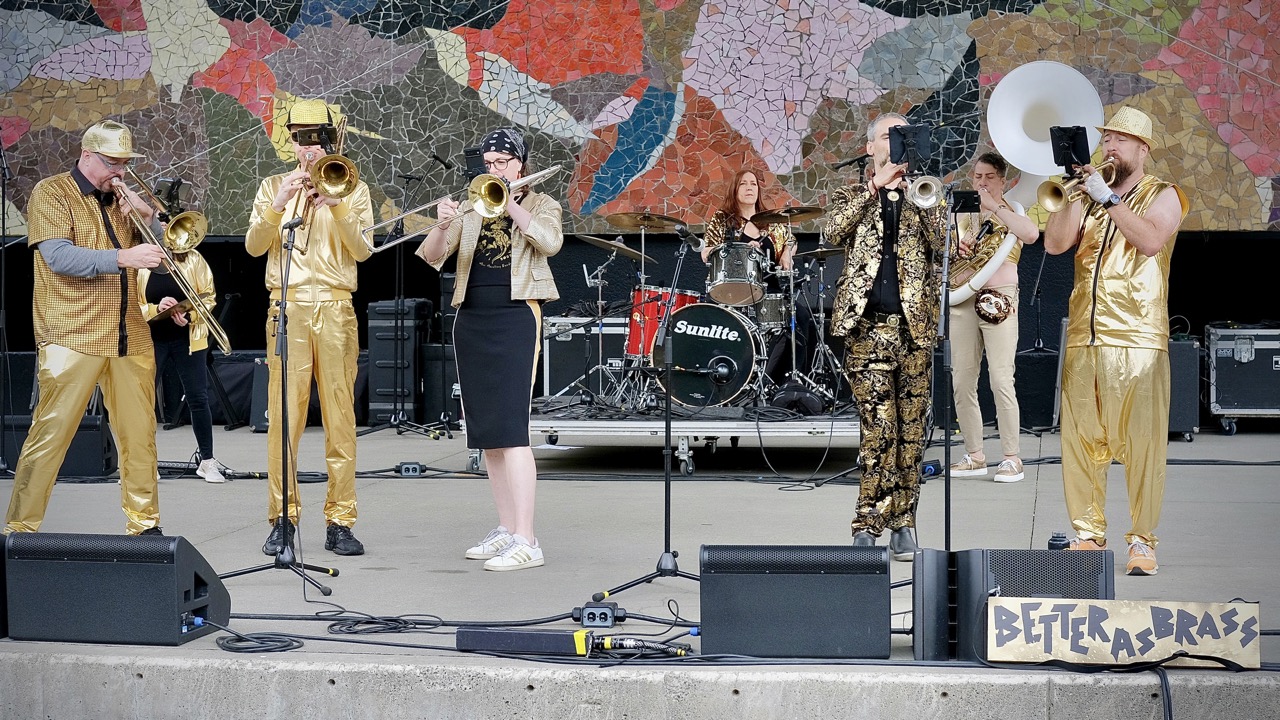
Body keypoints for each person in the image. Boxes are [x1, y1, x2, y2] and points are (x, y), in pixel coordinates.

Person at [4, 120, 168, 536]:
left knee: (139, 436)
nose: (121, 171)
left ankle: (145, 526)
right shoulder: (52, 192)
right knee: (50, 435)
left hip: (129, 333)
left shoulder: (125, 197)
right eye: (113, 162)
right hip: (72, 332)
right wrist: (124, 257)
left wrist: (150, 216)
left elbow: (167, 252)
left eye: (126, 163)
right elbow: (60, 258)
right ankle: (21, 531)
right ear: (87, 156)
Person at [1044, 107, 1188, 576]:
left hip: (1139, 338)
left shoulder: (1163, 194)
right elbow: (1054, 244)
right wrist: (1072, 194)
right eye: (1107, 139)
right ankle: (1088, 535)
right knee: (1082, 440)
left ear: (1142, 149)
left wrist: (1108, 199)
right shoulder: (1088, 196)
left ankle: (1143, 541)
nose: (1110, 147)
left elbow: (1149, 241)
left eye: (1121, 141)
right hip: (1086, 334)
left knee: (1143, 442)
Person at [415, 128, 562, 572]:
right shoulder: (472, 205)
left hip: (516, 315)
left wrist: (510, 202)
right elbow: (433, 255)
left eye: (501, 162)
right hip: (472, 318)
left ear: (520, 165)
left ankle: (528, 538)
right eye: (488, 162)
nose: (492, 169)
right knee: (488, 434)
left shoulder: (542, 204)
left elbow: (550, 242)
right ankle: (506, 528)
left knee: (512, 428)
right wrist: (443, 223)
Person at [245, 98, 374, 556]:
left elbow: (362, 252)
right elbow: (255, 247)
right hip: (287, 308)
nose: (310, 149)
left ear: (330, 140)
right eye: (301, 139)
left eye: (317, 139)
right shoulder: (271, 187)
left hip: (337, 308)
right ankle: (283, 518)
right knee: (284, 418)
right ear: (292, 141)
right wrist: (278, 205)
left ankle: (340, 520)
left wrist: (336, 204)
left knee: (341, 418)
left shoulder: (353, 187)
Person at [823, 112, 946, 561]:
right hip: (868, 329)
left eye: (902, 139)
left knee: (911, 431)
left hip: (915, 330)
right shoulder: (852, 193)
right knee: (879, 427)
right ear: (871, 147)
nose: (893, 147)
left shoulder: (927, 194)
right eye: (887, 139)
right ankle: (867, 521)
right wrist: (876, 187)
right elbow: (833, 230)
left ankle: (904, 522)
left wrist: (919, 198)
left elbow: (942, 245)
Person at [947, 152, 1041, 483]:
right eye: (977, 177)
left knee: (1001, 378)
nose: (982, 183)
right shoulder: (962, 213)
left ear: (1002, 180)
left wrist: (995, 207)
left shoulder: (1012, 210)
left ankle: (1012, 458)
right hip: (963, 298)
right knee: (962, 380)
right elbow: (950, 257)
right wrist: (959, 248)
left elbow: (1030, 235)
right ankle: (974, 455)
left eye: (989, 177)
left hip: (1000, 298)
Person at [701, 169, 814, 387]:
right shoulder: (723, 219)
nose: (749, 188)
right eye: (743, 184)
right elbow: (706, 252)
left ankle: (791, 383)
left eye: (753, 184)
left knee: (800, 316)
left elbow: (791, 240)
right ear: (735, 189)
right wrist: (740, 247)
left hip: (768, 290)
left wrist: (787, 255)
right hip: (733, 289)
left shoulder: (770, 221)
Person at [139, 238, 225, 483]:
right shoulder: (141, 259)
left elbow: (208, 297)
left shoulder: (193, 258)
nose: (164, 228)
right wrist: (156, 309)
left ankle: (207, 461)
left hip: (188, 338)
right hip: (150, 340)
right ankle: (145, 464)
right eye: (160, 222)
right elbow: (131, 304)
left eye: (168, 222)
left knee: (198, 398)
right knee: (143, 402)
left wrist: (189, 313)